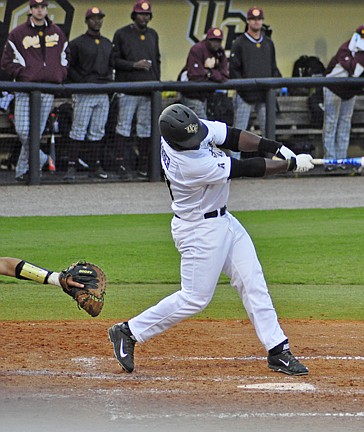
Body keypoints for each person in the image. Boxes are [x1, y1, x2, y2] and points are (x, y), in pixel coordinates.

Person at [108, 103, 314, 376]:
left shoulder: (186, 129)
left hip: (224, 221)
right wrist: (289, 165)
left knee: (253, 280)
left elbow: (230, 135)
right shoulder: (188, 165)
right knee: (194, 298)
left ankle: (278, 351)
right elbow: (245, 168)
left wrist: (275, 146)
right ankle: (129, 331)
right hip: (198, 231)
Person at [0, 0, 69, 182]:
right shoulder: (18, 33)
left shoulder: (56, 32)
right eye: (36, 7)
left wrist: (59, 72)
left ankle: (23, 171)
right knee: (23, 130)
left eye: (43, 7)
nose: (40, 10)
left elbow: (65, 56)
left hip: (47, 89)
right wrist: (24, 74)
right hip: (25, 89)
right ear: (30, 10)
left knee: (35, 133)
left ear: (46, 10)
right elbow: (6, 61)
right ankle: (43, 158)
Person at [322, 25, 364, 170]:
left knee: (345, 124)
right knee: (331, 124)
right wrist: (361, 53)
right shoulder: (346, 48)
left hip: (350, 93)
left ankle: (342, 160)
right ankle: (330, 162)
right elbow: (355, 70)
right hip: (334, 89)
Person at [111, 0, 161, 178]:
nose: (144, 17)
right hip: (128, 90)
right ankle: (121, 165)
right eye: (141, 14)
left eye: (147, 14)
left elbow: (157, 61)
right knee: (123, 127)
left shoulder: (153, 34)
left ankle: (143, 166)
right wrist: (134, 65)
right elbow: (114, 61)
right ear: (134, 15)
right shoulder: (122, 34)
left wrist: (157, 84)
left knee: (145, 129)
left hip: (148, 91)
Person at [64, 6, 113, 182]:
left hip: (102, 92)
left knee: (97, 131)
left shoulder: (107, 43)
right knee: (78, 130)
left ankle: (95, 166)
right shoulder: (77, 43)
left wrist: (108, 84)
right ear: (86, 21)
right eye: (93, 18)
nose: (96, 21)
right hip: (84, 93)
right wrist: (81, 83)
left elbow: (110, 66)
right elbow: (68, 67)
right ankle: (71, 167)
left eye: (99, 18)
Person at [229, 6, 281, 159]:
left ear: (262, 21)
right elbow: (234, 70)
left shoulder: (268, 43)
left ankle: (272, 164)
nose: (256, 22)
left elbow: (273, 67)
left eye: (259, 19)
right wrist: (243, 89)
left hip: (264, 96)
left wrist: (276, 86)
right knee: (238, 133)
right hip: (245, 96)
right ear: (248, 21)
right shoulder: (239, 42)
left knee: (268, 132)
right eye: (253, 19)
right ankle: (233, 165)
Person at [179, 27, 229, 120]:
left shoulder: (220, 52)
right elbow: (195, 76)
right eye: (212, 40)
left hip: (205, 96)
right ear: (207, 39)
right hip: (191, 95)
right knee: (203, 124)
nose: (215, 43)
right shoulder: (197, 49)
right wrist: (214, 75)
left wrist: (209, 73)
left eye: (218, 41)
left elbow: (224, 76)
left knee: (201, 126)